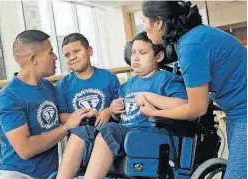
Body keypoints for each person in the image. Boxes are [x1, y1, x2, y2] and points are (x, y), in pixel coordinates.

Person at [140, 1, 247, 179]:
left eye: (144, 20)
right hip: (236, 110)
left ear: (158, 23)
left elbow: (197, 109)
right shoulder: (192, 38)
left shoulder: (191, 46)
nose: (144, 28)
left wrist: (153, 111)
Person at [80, 31, 188, 179]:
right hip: (126, 135)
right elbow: (120, 118)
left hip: (151, 136)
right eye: (133, 53)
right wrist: (113, 111)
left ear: (159, 56)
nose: (135, 58)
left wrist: (150, 97)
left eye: (143, 53)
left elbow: (184, 104)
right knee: (84, 132)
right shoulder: (127, 86)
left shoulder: (167, 79)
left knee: (109, 130)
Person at [0, 30, 81, 179]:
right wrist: (66, 128)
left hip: (49, 174)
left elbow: (57, 116)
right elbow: (25, 149)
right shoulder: (7, 98)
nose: (56, 57)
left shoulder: (47, 87)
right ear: (34, 59)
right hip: (15, 174)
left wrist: (84, 115)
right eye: (50, 52)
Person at [55, 33, 120, 179]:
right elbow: (60, 115)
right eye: (67, 55)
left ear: (89, 51)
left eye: (77, 51)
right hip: (80, 143)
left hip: (107, 141)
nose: (72, 57)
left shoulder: (108, 77)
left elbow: (119, 105)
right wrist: (81, 115)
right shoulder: (63, 85)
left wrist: (108, 111)